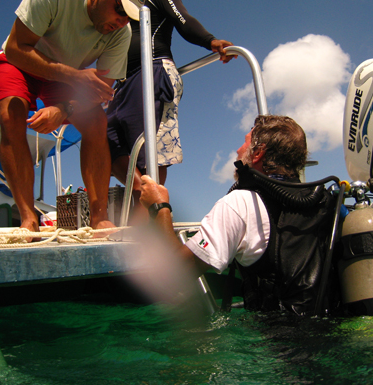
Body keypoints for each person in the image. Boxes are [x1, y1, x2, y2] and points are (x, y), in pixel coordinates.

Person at [0, 0, 145, 236]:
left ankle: (99, 218)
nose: (120, 22)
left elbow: (101, 91)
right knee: (10, 113)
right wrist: (71, 74)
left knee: (97, 121)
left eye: (128, 18)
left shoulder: (121, 34)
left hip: (64, 78)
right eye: (119, 10)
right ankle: (28, 219)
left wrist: (62, 109)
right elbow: (16, 48)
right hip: (23, 61)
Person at [139, 115, 338, 315]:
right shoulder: (327, 203)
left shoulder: (240, 203)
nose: (238, 150)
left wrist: (159, 207)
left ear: (258, 153)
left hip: (278, 343)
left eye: (245, 143)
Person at [107, 0, 235, 219]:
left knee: (148, 150)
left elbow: (183, 20)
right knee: (106, 142)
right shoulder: (118, 9)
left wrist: (210, 41)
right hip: (121, 84)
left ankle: (149, 214)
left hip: (153, 72)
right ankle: (146, 201)